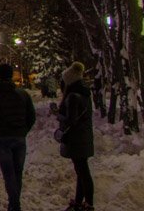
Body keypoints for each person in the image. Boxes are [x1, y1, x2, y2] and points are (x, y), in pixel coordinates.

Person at [0, 62, 36, 211]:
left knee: (8, 174)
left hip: (1, 138)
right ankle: (15, 203)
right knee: (17, 173)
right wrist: (24, 130)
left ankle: (14, 204)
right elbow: (31, 116)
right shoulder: (22, 94)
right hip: (19, 137)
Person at [55, 61, 95, 210]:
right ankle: (81, 202)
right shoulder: (84, 93)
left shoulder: (72, 97)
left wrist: (58, 115)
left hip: (76, 139)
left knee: (82, 172)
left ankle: (88, 204)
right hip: (84, 137)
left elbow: (71, 120)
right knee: (81, 171)